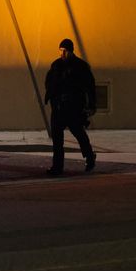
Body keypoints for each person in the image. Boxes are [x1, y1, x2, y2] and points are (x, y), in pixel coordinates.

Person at [44, 38, 97, 176]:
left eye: (65, 51)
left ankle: (89, 156)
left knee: (79, 134)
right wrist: (51, 98)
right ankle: (57, 167)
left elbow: (90, 86)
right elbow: (49, 82)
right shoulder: (56, 65)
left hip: (73, 107)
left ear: (71, 51)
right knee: (57, 139)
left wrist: (91, 105)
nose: (62, 53)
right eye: (61, 51)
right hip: (58, 107)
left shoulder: (80, 66)